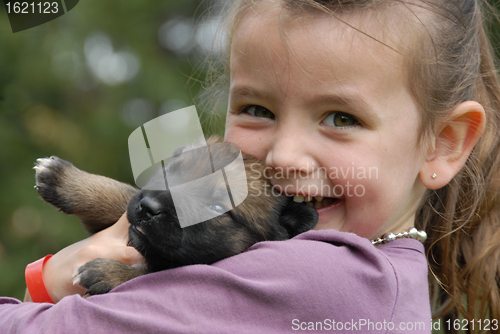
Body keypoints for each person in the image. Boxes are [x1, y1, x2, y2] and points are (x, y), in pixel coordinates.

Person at [1, 0, 499, 333]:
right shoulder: (384, 281)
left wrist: (44, 283)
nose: (283, 155)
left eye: (340, 118)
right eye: (258, 110)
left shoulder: (326, 282)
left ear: (442, 145)